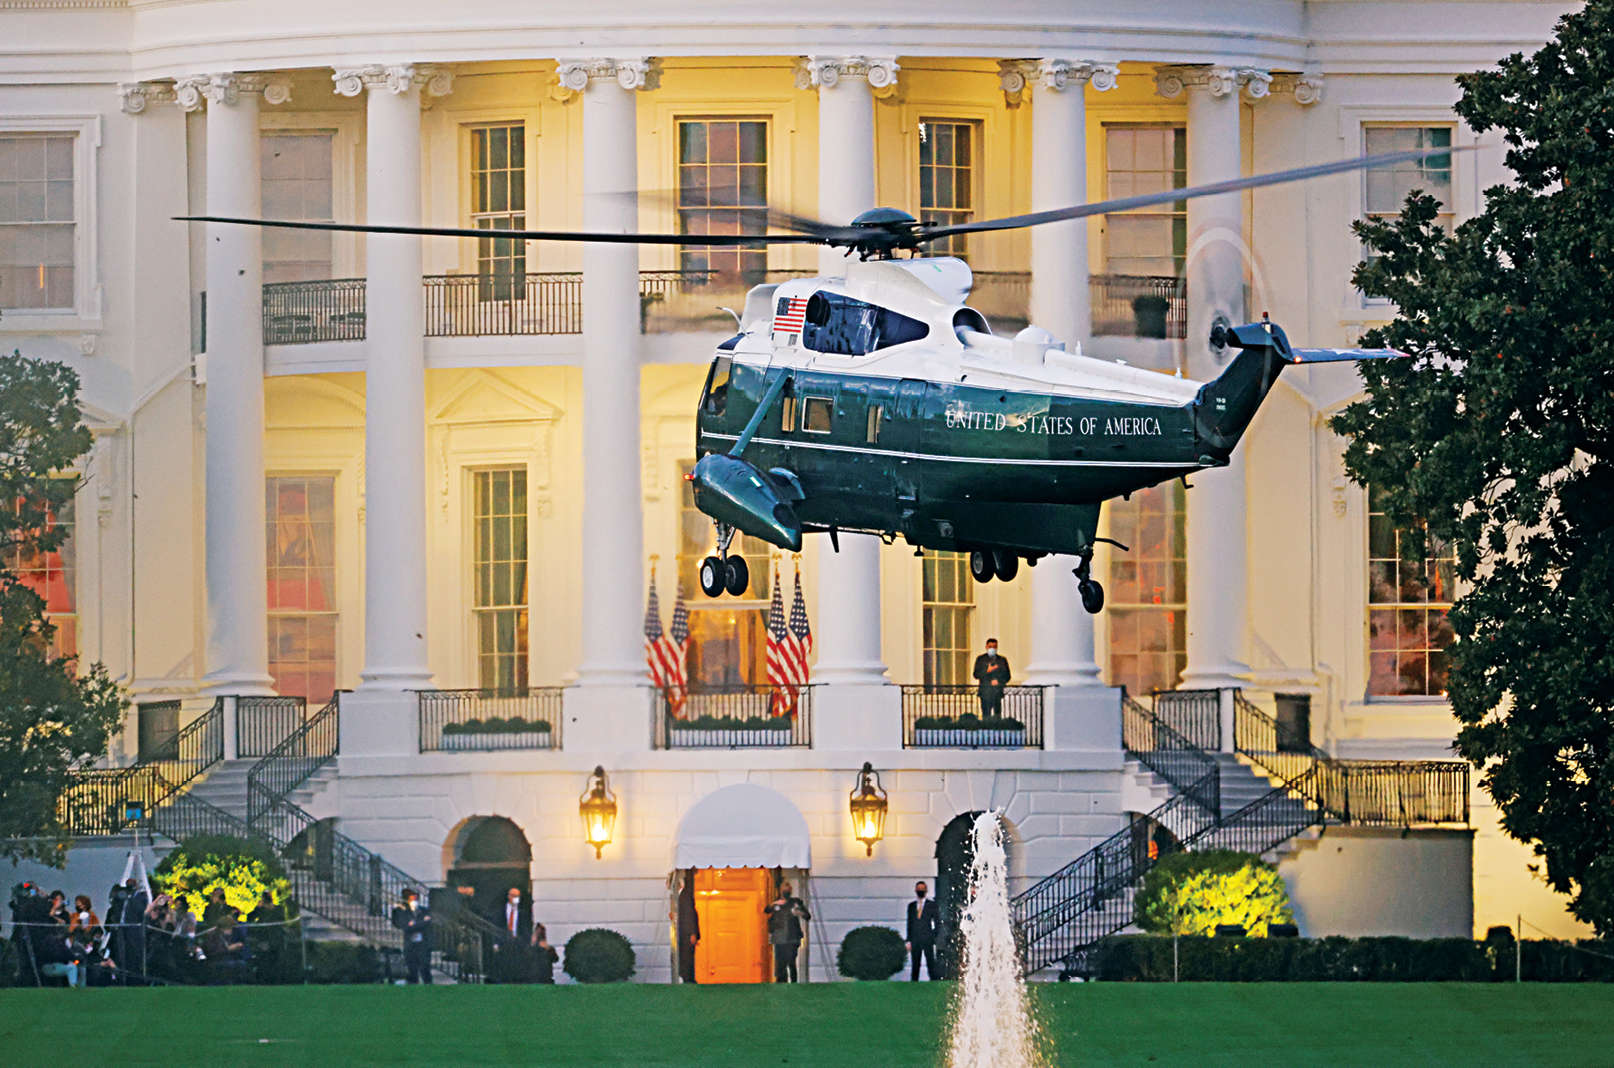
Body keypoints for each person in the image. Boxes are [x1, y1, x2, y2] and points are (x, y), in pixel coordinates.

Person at [763, 880, 810, 983]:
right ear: (780, 890)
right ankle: (781, 983)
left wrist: (799, 912)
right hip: (779, 937)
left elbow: (807, 916)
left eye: (788, 888)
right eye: (784, 887)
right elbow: (766, 910)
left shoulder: (795, 902)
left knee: (791, 961)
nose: (787, 890)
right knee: (780, 963)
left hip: (792, 938)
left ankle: (793, 983)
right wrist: (774, 903)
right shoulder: (776, 903)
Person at [390, 888, 433, 984]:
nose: (415, 900)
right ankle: (413, 983)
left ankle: (428, 985)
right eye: (412, 898)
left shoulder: (423, 910)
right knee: (411, 967)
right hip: (410, 943)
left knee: (425, 966)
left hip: (423, 943)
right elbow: (406, 926)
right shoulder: (402, 911)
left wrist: (415, 924)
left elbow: (428, 923)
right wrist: (422, 922)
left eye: (416, 898)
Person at [490, 886, 532, 983]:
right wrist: (495, 943)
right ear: (509, 896)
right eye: (513, 896)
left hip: (517, 943)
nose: (515, 898)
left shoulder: (522, 913)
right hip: (503, 942)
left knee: (517, 966)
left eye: (517, 896)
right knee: (504, 965)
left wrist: (525, 943)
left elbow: (525, 929)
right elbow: (496, 927)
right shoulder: (500, 912)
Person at [904, 880, 940, 981]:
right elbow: (909, 923)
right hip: (915, 939)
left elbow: (937, 922)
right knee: (915, 964)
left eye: (922, 889)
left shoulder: (932, 905)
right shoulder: (911, 906)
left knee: (930, 963)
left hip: (927, 938)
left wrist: (933, 936)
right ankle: (914, 984)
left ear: (926, 890)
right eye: (919, 889)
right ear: (915, 890)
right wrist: (908, 940)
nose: (920, 891)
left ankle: (934, 982)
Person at [972, 638, 1011, 718]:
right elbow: (976, 674)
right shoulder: (981, 659)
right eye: (990, 647)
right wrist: (987, 671)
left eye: (994, 647)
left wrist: (999, 681)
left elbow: (1007, 676)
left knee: (997, 715)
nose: (992, 649)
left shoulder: (1002, 660)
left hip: (997, 691)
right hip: (985, 692)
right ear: (986, 647)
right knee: (986, 715)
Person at [675, 876, 700, 984]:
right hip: (685, 933)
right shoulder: (680, 896)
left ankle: (687, 979)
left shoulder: (685, 896)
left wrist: (692, 933)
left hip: (686, 934)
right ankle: (686, 978)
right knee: (685, 957)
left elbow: (690, 915)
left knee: (686, 957)